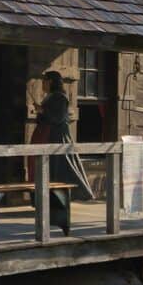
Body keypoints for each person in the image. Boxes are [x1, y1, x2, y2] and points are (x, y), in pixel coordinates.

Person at [29, 71, 94, 200]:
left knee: (59, 167)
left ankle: (64, 196)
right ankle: (46, 197)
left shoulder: (59, 97)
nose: (42, 83)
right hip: (46, 133)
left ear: (51, 82)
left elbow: (57, 117)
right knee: (44, 166)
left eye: (44, 81)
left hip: (56, 136)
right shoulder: (51, 96)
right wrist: (41, 111)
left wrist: (42, 110)